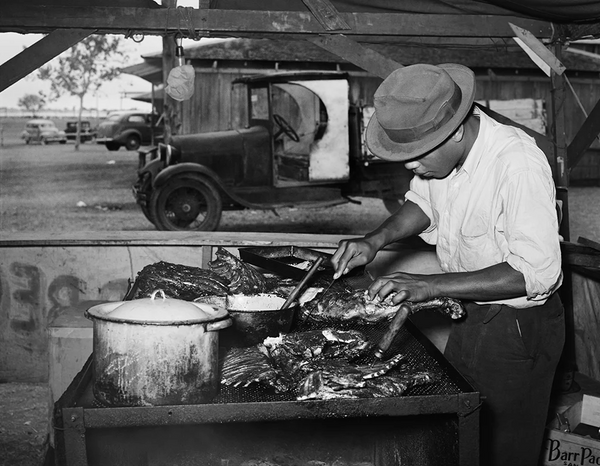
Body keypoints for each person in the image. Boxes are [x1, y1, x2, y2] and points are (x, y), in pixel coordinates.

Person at [330, 63, 565, 466]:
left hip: (517, 329)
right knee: (459, 436)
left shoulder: (517, 163)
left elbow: (534, 272)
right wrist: (376, 239)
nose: (410, 167)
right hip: (469, 314)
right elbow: (422, 203)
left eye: (418, 156)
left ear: (456, 130)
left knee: (500, 452)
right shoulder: (442, 154)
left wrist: (433, 286)